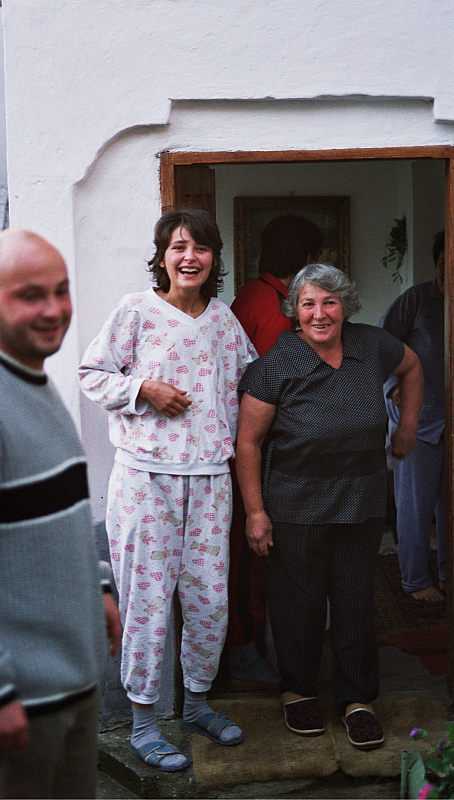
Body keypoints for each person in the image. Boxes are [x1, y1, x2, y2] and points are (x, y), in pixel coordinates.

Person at [0, 229, 121, 799]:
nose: (54, 309)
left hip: (72, 682)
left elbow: (60, 507)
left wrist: (99, 589)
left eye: (61, 291)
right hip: (16, 702)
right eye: (31, 294)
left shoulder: (33, 379)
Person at [79, 208, 256, 771]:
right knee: (147, 602)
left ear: (213, 259)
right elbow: (91, 374)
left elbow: (254, 384)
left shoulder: (225, 321)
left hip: (209, 480)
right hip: (145, 481)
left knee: (209, 599)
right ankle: (144, 723)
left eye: (201, 248)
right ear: (161, 256)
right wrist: (143, 388)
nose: (189, 257)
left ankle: (196, 703)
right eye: (178, 247)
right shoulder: (136, 311)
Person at [235, 264, 423, 751]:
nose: (319, 314)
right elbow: (249, 442)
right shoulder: (276, 363)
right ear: (294, 311)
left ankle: (357, 699)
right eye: (308, 304)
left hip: (360, 503)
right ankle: (297, 691)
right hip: (295, 508)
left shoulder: (371, 345)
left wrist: (406, 429)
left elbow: (413, 365)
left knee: (355, 601)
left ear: (346, 305)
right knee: (297, 606)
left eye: (329, 302)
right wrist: (256, 513)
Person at [227, 214, 324, 691]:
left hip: (251, 446)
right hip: (257, 450)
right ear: (307, 259)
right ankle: (245, 656)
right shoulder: (272, 307)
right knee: (253, 559)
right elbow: (274, 388)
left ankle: (253, 650)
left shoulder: (251, 293)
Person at [380, 230, 446, 602]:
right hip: (418, 423)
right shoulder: (418, 299)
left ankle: (447, 574)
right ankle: (417, 581)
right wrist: (393, 388)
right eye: (442, 261)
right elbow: (381, 344)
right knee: (415, 506)